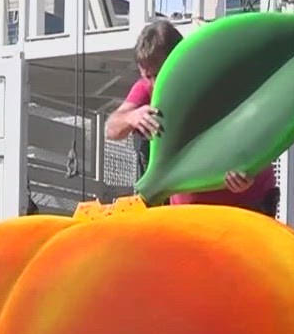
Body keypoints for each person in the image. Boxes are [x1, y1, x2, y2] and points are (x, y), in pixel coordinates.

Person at [105, 19, 280, 216]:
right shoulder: (148, 89)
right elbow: (111, 129)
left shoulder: (213, 80)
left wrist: (250, 171)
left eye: (160, 74)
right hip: (191, 210)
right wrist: (131, 117)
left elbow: (257, 128)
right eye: (148, 76)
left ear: (181, 60)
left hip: (246, 202)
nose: (155, 84)